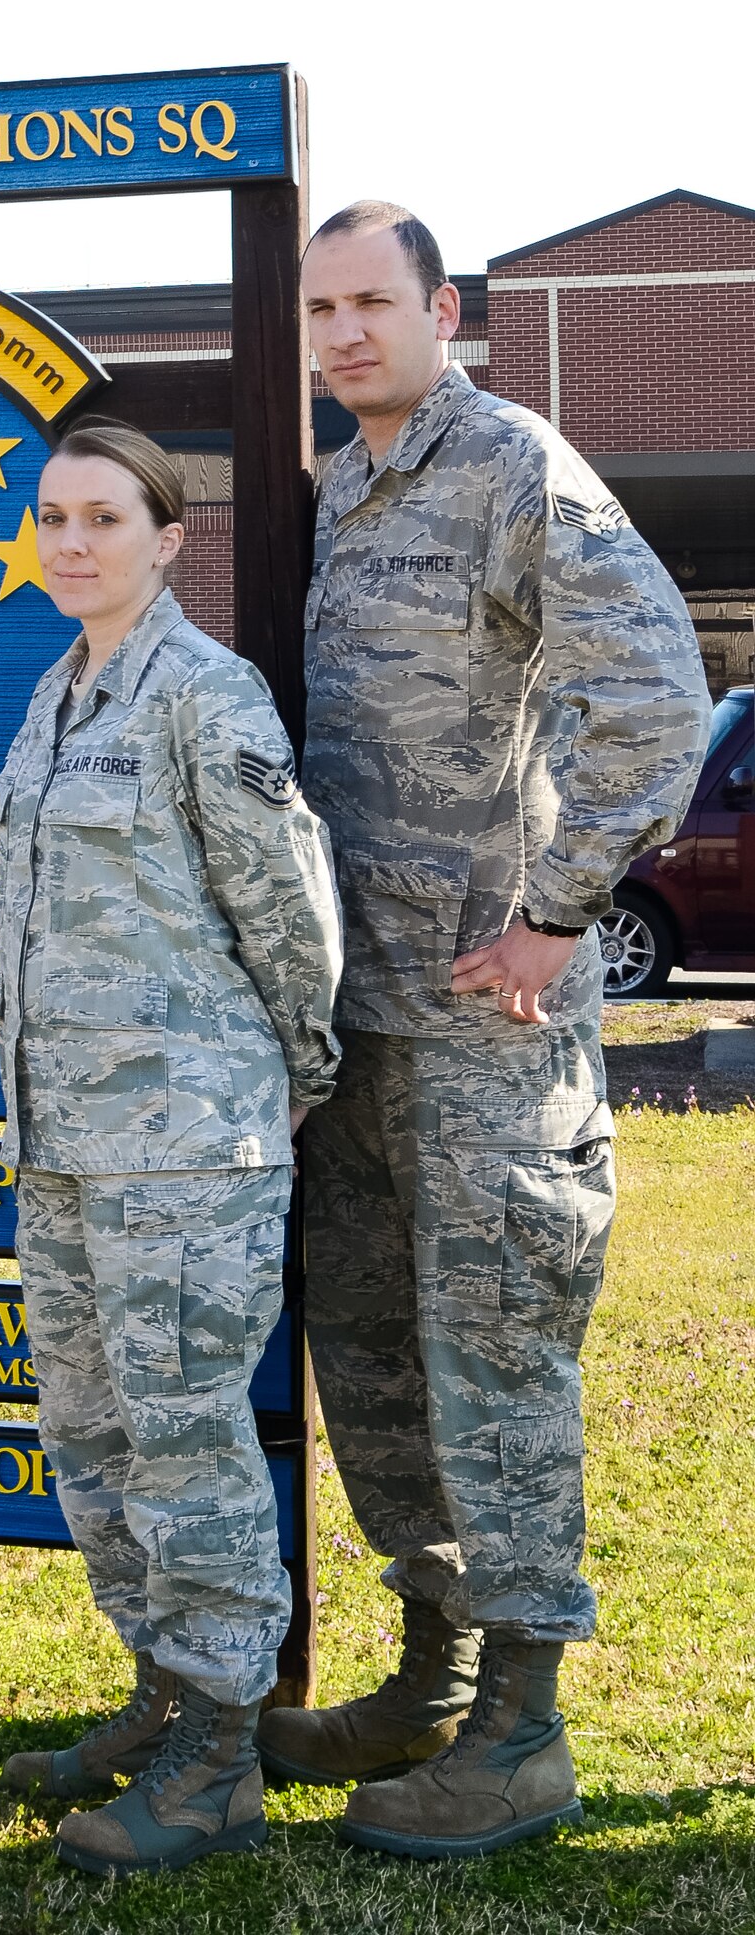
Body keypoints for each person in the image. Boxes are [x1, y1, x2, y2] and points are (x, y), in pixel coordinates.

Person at [257, 202, 710, 1859]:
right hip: (356, 1025)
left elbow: (655, 688)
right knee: (371, 1358)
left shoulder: (509, 460)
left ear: (442, 308)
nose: (344, 334)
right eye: (322, 310)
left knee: (497, 1366)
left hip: (489, 1027)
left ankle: (524, 1731)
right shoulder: (347, 487)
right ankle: (431, 1679)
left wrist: (559, 907)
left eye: (373, 302)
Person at [0, 420, 345, 1877]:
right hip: (64, 1149)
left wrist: (277, 1088)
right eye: (55, 518)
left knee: (188, 1441)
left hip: (185, 1151)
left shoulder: (208, 694)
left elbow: (290, 913)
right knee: (96, 1436)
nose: (74, 542)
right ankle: (164, 1693)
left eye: (105, 519)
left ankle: (218, 1756)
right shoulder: (53, 698)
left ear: (167, 537)